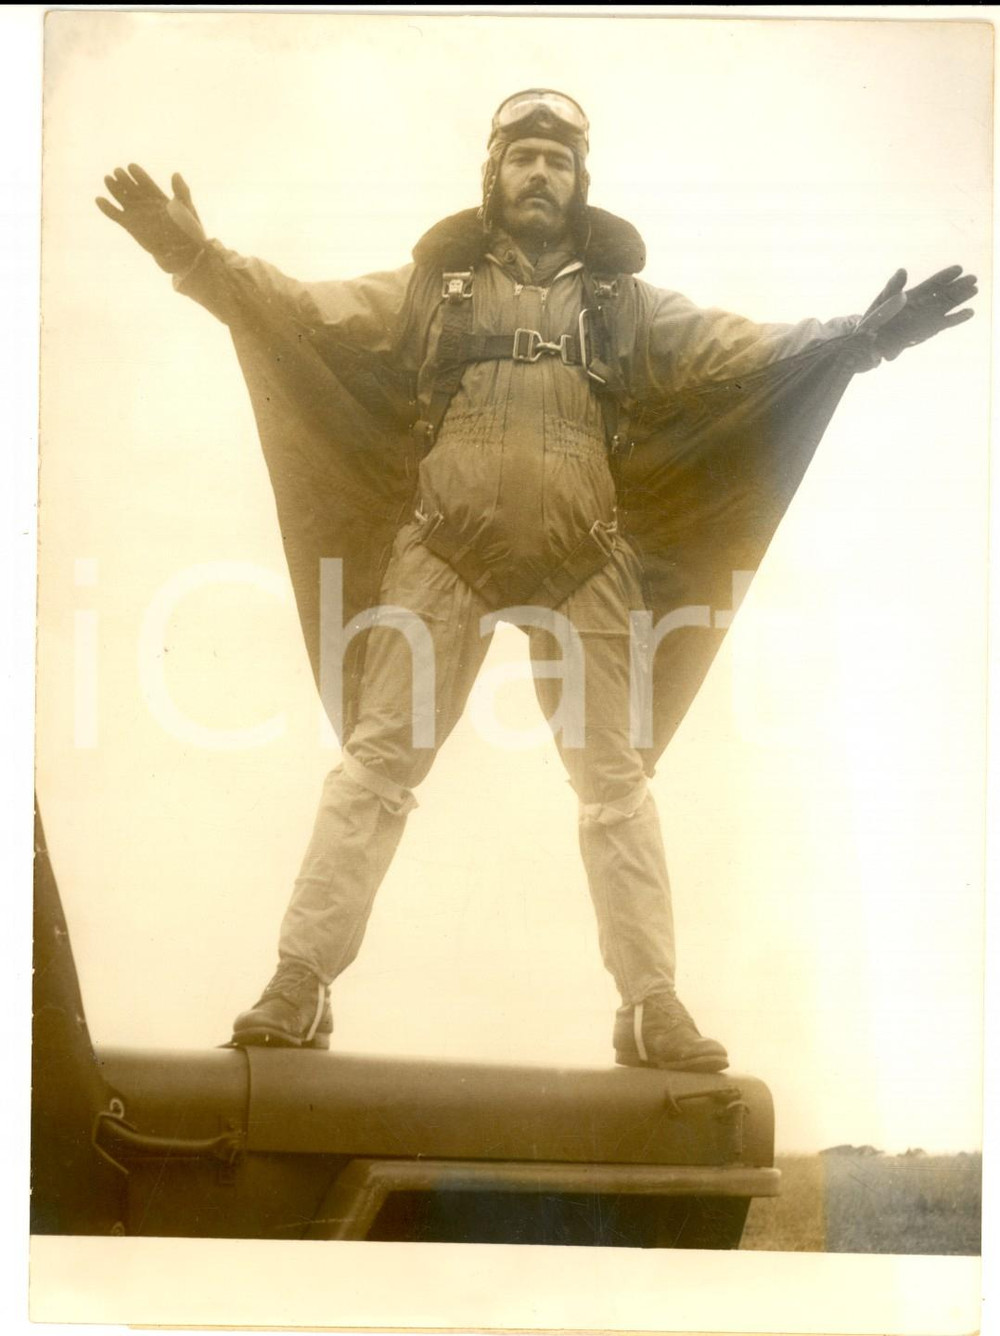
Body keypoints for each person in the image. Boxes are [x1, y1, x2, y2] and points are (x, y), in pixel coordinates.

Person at [97, 89, 976, 1071]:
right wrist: (193, 257)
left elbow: (746, 348)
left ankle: (649, 1004)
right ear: (494, 176)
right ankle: (300, 981)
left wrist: (862, 336)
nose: (541, 174)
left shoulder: (625, 306)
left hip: (583, 555)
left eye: (558, 162)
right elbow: (299, 308)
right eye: (524, 158)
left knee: (616, 785)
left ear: (579, 183)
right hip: (445, 546)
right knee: (377, 764)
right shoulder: (432, 292)